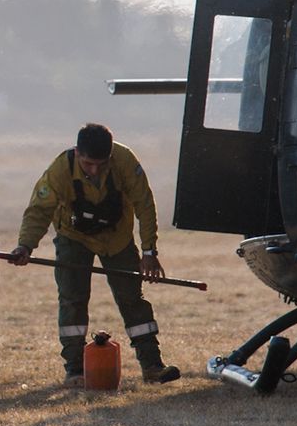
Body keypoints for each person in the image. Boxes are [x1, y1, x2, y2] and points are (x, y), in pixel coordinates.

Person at [9, 123, 181, 388]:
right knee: (73, 300)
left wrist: (149, 252)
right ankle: (76, 371)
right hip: (73, 238)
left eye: (101, 164)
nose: (95, 170)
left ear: (111, 156)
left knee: (132, 299)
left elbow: (145, 204)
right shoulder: (59, 170)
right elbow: (39, 211)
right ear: (77, 153)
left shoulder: (124, 161)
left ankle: (153, 366)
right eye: (88, 164)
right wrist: (25, 246)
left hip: (117, 239)